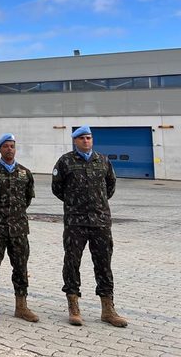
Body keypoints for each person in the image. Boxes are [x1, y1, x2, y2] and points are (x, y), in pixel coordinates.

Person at [52, 125, 128, 327]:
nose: (86, 141)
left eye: (89, 138)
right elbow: (57, 188)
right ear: (75, 141)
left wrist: (97, 205)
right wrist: (74, 203)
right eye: (82, 138)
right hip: (75, 222)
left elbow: (110, 186)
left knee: (104, 264)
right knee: (72, 263)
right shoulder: (65, 161)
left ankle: (108, 309)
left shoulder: (102, 160)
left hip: (100, 222)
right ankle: (74, 306)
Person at [0, 133, 38, 323]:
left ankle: (21, 307)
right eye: (6, 146)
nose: (9, 149)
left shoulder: (25, 173)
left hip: (19, 229)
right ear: (0, 150)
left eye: (12, 146)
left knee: (21, 267)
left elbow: (27, 199)